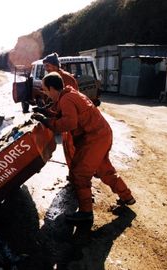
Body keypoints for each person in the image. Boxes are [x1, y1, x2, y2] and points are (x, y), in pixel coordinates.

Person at [31, 72, 135, 222]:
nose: (45, 94)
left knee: (80, 173)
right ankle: (127, 197)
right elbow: (66, 115)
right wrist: (46, 112)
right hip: (102, 135)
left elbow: (69, 123)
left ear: (53, 88)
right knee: (104, 169)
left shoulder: (66, 99)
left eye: (46, 90)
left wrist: (48, 122)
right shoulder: (70, 94)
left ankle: (86, 214)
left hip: (93, 139)